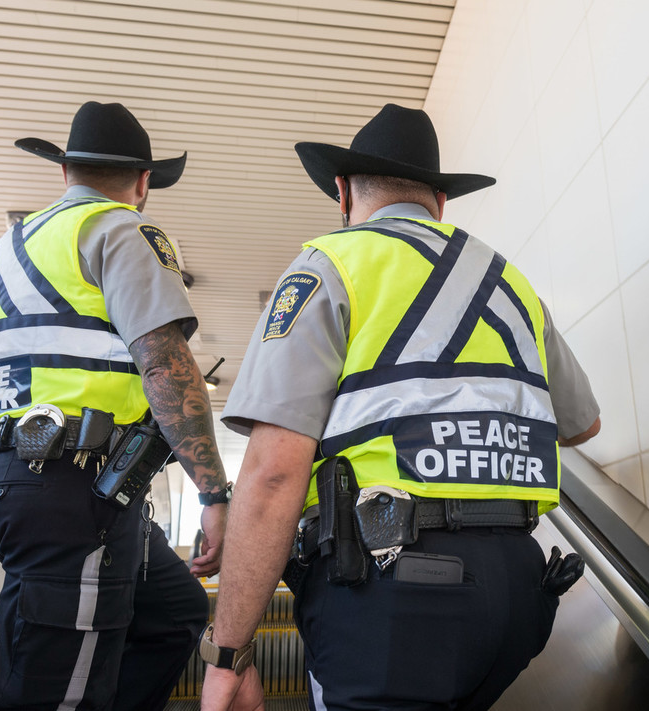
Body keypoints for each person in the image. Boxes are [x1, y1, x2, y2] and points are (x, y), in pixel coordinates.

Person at [200, 104, 601, 711]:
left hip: (392, 599)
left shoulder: (330, 265)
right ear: (441, 201)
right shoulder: (512, 284)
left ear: (341, 192)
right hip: (523, 592)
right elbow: (583, 425)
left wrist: (229, 655)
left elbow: (274, 470)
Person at [0, 101, 230, 711]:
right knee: (57, 694)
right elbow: (166, 364)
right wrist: (214, 494)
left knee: (172, 609)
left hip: (13, 483)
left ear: (65, 174)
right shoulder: (123, 228)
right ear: (144, 181)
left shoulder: (0, 252)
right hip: (73, 492)